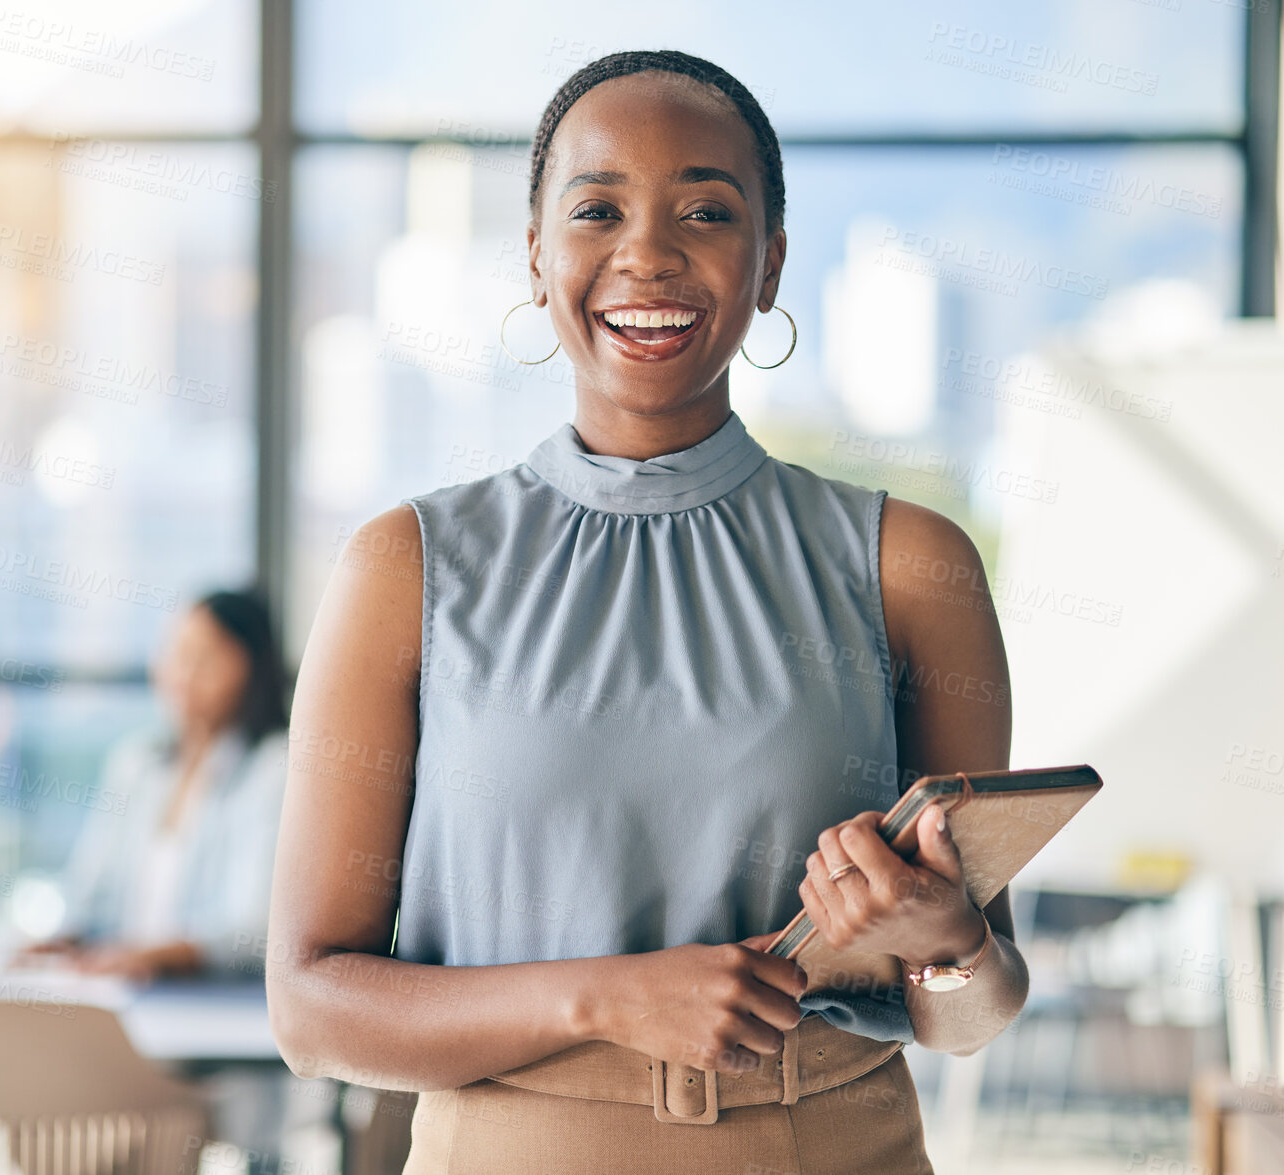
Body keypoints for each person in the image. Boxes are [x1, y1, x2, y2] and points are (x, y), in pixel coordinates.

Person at [267, 50, 1027, 1171]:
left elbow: (975, 1008)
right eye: (597, 209)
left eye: (707, 211)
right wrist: (608, 997)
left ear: (768, 264)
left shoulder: (910, 566)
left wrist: (946, 936)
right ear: (535, 255)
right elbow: (313, 1007)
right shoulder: (406, 569)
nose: (649, 255)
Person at [32, 589, 291, 982]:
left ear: (251, 667)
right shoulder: (137, 763)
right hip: (127, 989)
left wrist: (157, 956)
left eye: (203, 658)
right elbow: (91, 891)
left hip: (220, 1001)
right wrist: (61, 940)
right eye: (176, 654)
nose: (182, 674)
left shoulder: (276, 766)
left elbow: (256, 928)